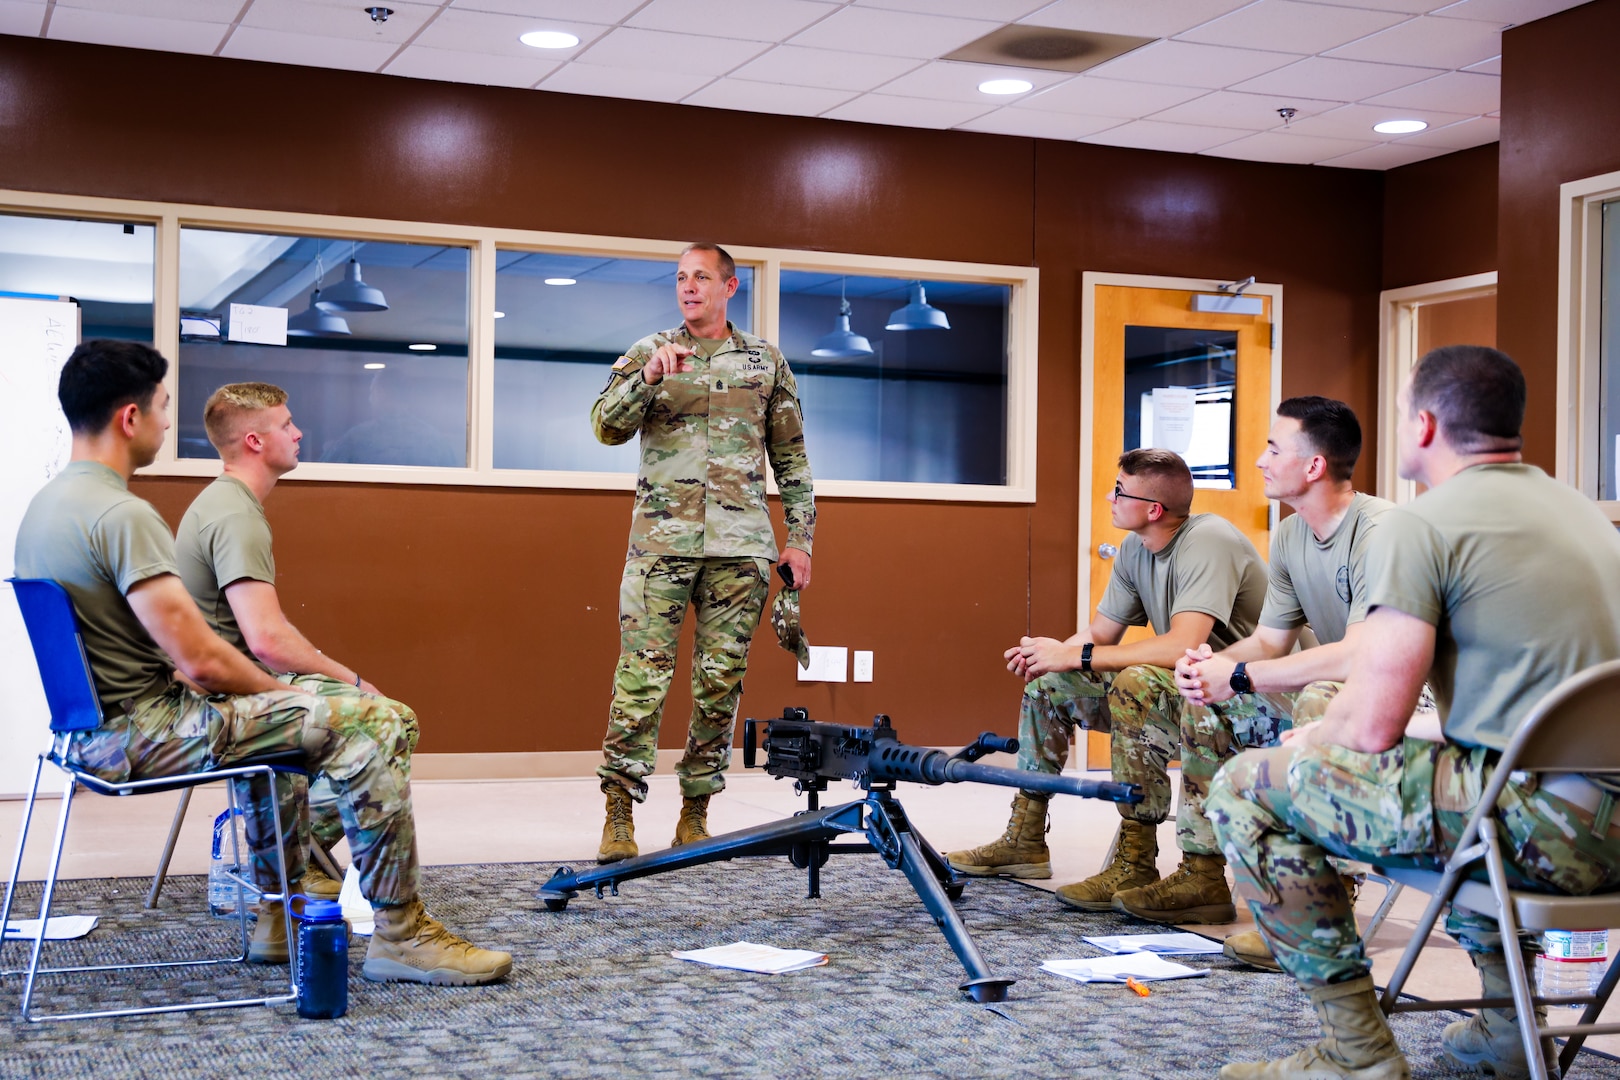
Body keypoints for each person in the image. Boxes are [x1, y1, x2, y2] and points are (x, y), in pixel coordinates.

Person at [14, 340, 512, 986]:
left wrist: (270, 699)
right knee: (372, 725)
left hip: (89, 734)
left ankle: (276, 918)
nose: (170, 424)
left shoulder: (45, 508)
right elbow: (200, 663)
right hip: (143, 733)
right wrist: (280, 695)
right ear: (129, 419)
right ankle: (401, 934)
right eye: (163, 409)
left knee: (295, 724)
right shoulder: (122, 515)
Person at [1207, 346, 1620, 1080]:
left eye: (1400, 415)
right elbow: (1533, 710)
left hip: (1548, 837)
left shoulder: (1421, 525)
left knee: (1246, 786)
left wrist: (1313, 741)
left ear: (1424, 425)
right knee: (1446, 785)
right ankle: (1503, 1031)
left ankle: (1356, 1054)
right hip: (1600, 820)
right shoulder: (1585, 517)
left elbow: (1370, 728)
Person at [1110, 398, 1393, 933]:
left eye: (1273, 448)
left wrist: (1237, 674)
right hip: (1337, 685)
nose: (1261, 461)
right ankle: (1202, 874)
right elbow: (1267, 642)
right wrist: (1210, 666)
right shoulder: (1289, 534)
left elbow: (1366, 654)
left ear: (1313, 466)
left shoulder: (1380, 532)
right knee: (1202, 690)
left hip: (1412, 696)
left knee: (1317, 698)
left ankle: (1319, 905)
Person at [944, 448, 1267, 911]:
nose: (1109, 498)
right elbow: (1099, 634)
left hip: (1251, 696)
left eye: (1119, 491)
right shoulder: (1137, 547)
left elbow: (1182, 645)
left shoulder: (1209, 540)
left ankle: (1162, 867)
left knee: (1137, 682)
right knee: (1047, 686)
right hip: (1191, 689)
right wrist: (1049, 657)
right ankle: (1025, 840)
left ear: (1153, 509)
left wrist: (1076, 655)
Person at [589, 243, 815, 863]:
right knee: (641, 680)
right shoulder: (648, 352)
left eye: (701, 278)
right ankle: (618, 812)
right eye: (681, 279)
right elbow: (605, 427)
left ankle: (696, 813)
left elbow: (792, 460)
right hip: (660, 545)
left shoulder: (765, 363)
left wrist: (800, 539)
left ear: (730, 287)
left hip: (740, 549)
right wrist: (649, 378)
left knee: (720, 684)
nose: (689, 288)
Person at [174, 381, 422, 914]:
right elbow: (268, 641)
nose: (299, 433)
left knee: (396, 716)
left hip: (228, 684)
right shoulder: (234, 514)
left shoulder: (228, 502)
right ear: (255, 442)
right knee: (388, 719)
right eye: (287, 425)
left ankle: (298, 854)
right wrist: (353, 681)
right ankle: (374, 899)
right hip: (222, 701)